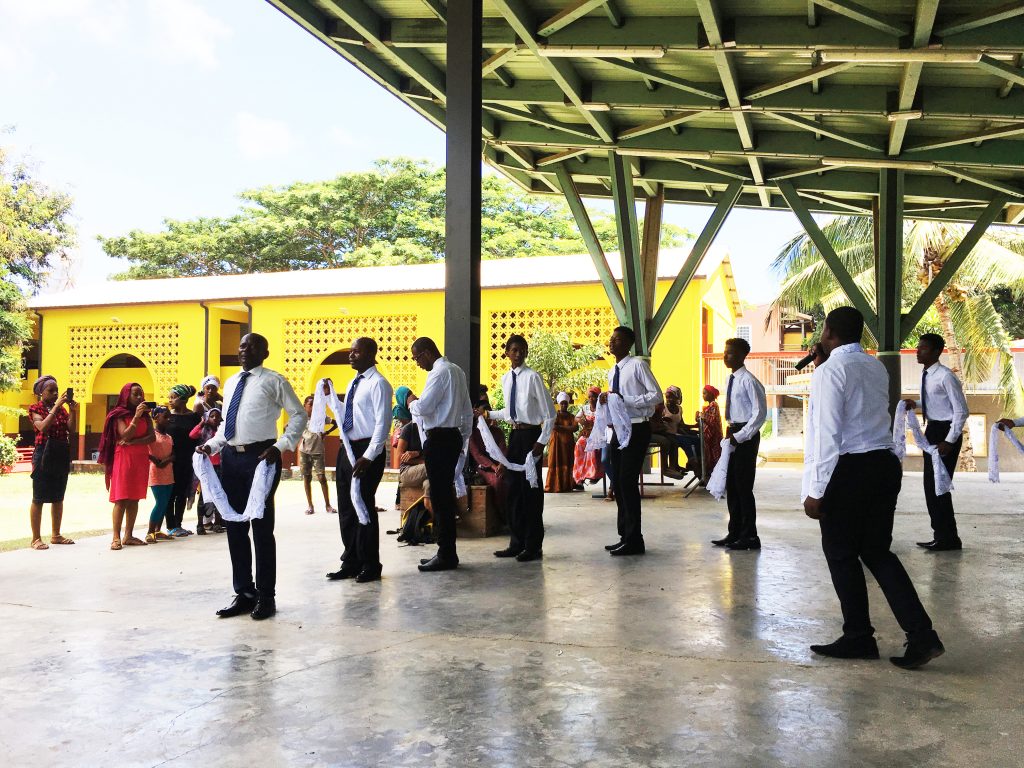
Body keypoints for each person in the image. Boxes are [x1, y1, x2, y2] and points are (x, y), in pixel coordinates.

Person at [804, 307, 944, 669]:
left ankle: (858, 637)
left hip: (850, 468)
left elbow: (827, 434)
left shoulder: (830, 372)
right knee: (877, 552)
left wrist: (816, 489)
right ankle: (922, 635)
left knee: (841, 554)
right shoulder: (875, 366)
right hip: (882, 465)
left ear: (828, 332)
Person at [200, 332, 307, 621]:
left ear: (264, 352)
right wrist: (211, 446)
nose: (244, 350)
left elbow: (299, 415)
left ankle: (266, 596)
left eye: (251, 346)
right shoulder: (232, 382)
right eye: (241, 345)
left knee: (261, 528)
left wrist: (281, 446)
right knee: (235, 527)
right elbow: (227, 425)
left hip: (261, 459)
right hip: (231, 459)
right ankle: (244, 593)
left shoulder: (274, 380)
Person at [481, 334, 555, 561]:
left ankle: (533, 546)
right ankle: (516, 542)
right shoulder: (506, 379)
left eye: (522, 350)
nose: (518, 353)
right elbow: (511, 412)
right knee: (513, 490)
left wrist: (541, 441)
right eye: (514, 350)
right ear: (507, 353)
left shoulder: (533, 377)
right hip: (515, 436)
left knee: (530, 492)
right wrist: (488, 414)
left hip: (531, 436)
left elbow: (549, 414)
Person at [326, 337, 393, 584]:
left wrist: (369, 456)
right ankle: (351, 562)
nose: (351, 355)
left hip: (366, 451)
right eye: (351, 351)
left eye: (356, 352)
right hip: (348, 448)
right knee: (346, 507)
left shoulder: (379, 384)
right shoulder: (354, 381)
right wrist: (331, 398)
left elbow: (383, 424)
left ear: (371, 354)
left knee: (363, 506)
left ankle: (370, 564)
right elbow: (349, 414)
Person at [409, 337, 473, 572]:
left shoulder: (438, 373)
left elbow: (424, 407)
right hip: (452, 437)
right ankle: (446, 551)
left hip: (439, 439)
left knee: (440, 498)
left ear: (427, 353)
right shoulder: (457, 371)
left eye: (417, 358)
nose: (417, 363)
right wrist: (462, 438)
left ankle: (446, 554)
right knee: (444, 496)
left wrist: (411, 402)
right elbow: (467, 410)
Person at [902, 333, 968, 552]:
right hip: (932, 430)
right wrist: (916, 404)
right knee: (931, 487)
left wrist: (949, 441)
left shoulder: (945, 376)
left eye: (923, 348)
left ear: (937, 352)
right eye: (918, 347)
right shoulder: (927, 374)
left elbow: (961, 411)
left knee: (939, 487)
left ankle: (949, 538)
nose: (918, 351)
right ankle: (942, 535)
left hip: (945, 432)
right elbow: (936, 403)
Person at [602, 326, 662, 556]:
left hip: (637, 427)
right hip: (619, 428)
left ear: (628, 344)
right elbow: (616, 401)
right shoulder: (613, 371)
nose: (612, 342)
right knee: (617, 482)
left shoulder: (637, 365)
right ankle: (624, 535)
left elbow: (656, 395)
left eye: (618, 339)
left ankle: (635, 539)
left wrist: (626, 400)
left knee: (627, 481)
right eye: (611, 338)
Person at [713, 338, 767, 551]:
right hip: (733, 431)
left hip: (746, 434)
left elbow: (759, 414)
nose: (725, 356)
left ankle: (750, 536)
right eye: (725, 352)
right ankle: (734, 532)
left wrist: (742, 435)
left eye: (731, 353)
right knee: (732, 484)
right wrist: (731, 434)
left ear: (743, 356)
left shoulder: (749, 381)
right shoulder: (731, 379)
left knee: (743, 486)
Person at [99, 382, 155, 550]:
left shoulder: (146, 416)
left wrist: (135, 441)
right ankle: (116, 537)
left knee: (134, 497)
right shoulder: (118, 415)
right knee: (121, 498)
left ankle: (128, 535)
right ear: (126, 396)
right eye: (135, 394)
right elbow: (125, 435)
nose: (139, 397)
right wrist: (136, 418)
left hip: (140, 458)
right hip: (123, 458)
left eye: (141, 394)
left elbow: (151, 437)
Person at [26, 375, 75, 550]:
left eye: (56, 390)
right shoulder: (35, 408)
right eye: (51, 390)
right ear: (41, 392)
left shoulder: (62, 410)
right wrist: (56, 407)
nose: (55, 393)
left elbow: (71, 429)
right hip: (43, 453)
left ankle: (56, 535)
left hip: (60, 452)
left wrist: (73, 410)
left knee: (58, 496)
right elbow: (43, 427)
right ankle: (36, 538)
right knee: (38, 497)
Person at [165, 384, 201, 537]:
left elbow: (198, 436)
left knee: (182, 493)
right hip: (170, 460)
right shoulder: (167, 416)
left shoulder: (193, 417)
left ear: (184, 399)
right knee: (170, 493)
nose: (170, 400)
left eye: (173, 398)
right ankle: (170, 526)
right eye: (169, 397)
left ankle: (178, 525)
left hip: (187, 460)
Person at [298, 395, 337, 516]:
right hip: (304, 451)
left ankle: (328, 505)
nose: (312, 407)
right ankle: (310, 505)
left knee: (321, 478)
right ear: (304, 406)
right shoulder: (301, 418)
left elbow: (335, 423)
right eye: (310, 405)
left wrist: (327, 433)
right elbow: (290, 427)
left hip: (318, 451)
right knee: (306, 478)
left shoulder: (320, 417)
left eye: (314, 405)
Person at [189, 408, 226, 533]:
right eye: (212, 416)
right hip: (206, 467)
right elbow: (192, 435)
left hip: (220, 466)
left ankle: (217, 523)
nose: (215, 418)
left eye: (217, 416)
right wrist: (201, 423)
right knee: (203, 496)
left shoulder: (222, 431)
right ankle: (200, 524)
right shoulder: (204, 430)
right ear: (207, 417)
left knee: (219, 494)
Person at [146, 406, 176, 544]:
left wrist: (166, 461)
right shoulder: (152, 435)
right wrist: (156, 461)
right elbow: (146, 452)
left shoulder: (169, 437)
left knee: (165, 503)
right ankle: (150, 532)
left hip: (168, 472)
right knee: (160, 502)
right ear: (156, 418)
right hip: (156, 472)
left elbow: (173, 454)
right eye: (165, 416)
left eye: (170, 416)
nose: (168, 419)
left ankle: (157, 530)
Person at [650, 386, 686, 479]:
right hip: (650, 432)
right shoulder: (653, 408)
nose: (668, 400)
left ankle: (673, 467)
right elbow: (652, 425)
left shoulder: (677, 408)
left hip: (661, 431)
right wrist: (662, 422)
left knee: (674, 441)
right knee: (666, 441)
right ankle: (665, 468)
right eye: (667, 397)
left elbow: (681, 424)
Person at [544, 392, 577, 494]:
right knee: (554, 462)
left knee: (567, 462)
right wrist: (567, 428)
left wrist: (561, 427)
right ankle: (553, 486)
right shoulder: (554, 415)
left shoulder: (571, 416)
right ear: (559, 404)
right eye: (562, 403)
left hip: (568, 444)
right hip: (556, 444)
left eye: (565, 403)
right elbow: (554, 426)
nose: (564, 405)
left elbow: (575, 427)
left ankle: (567, 485)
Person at [573, 386, 604, 487]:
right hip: (587, 433)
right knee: (579, 444)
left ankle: (592, 474)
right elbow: (576, 418)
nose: (591, 399)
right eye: (589, 397)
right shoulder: (585, 408)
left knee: (591, 448)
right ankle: (580, 474)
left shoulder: (602, 408)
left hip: (598, 435)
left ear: (598, 397)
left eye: (593, 397)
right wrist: (581, 420)